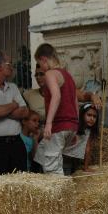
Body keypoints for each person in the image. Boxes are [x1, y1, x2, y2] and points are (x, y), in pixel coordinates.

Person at [32, 43, 79, 175]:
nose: (41, 68)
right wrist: (75, 127)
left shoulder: (50, 74)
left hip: (59, 125)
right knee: (43, 154)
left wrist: (48, 123)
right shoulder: (68, 76)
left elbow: (56, 96)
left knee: (52, 168)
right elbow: (75, 101)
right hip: (71, 125)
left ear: (44, 59)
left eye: (39, 63)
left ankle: (60, 194)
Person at [23, 62, 102, 124]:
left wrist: (93, 96)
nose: (38, 77)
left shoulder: (63, 90)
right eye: (36, 75)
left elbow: (84, 96)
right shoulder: (29, 95)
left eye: (41, 74)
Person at [62, 102, 98, 175]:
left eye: (94, 116)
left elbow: (87, 149)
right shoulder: (74, 127)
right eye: (89, 115)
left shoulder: (89, 131)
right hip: (65, 157)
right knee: (65, 177)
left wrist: (86, 167)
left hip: (76, 159)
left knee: (73, 177)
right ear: (82, 115)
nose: (92, 119)